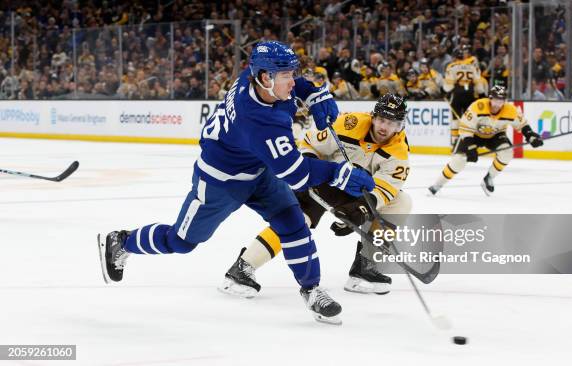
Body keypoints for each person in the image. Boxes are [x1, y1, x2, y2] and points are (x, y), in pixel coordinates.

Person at [97, 41, 376, 325]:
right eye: (286, 76)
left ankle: (312, 289)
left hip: (258, 169)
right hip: (220, 182)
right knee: (180, 242)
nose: (293, 81)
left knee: (293, 222)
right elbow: (296, 174)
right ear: (266, 78)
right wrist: (339, 174)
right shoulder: (259, 121)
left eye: (293, 73)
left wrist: (314, 93)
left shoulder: (254, 78)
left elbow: (296, 87)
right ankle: (123, 242)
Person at [219, 94, 412, 297]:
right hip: (323, 179)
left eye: (391, 123)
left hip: (354, 193)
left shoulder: (399, 152)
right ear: (373, 117)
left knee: (401, 202)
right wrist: (309, 171)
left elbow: (384, 189)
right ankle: (243, 267)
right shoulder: (349, 123)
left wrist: (359, 211)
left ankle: (366, 266)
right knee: (297, 220)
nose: (384, 127)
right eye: (382, 119)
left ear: (400, 125)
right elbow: (310, 144)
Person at [428, 85, 544, 196]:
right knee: (458, 161)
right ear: (490, 98)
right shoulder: (477, 106)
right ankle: (437, 185)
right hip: (474, 135)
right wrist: (471, 147)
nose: (497, 104)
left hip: (495, 135)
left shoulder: (510, 110)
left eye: (501, 100)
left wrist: (531, 136)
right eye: (495, 100)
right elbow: (465, 128)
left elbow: (523, 125)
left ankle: (489, 178)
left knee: (506, 153)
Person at [443, 45, 486, 146]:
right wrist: (482, 94)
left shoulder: (452, 66)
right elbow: (478, 83)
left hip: (457, 94)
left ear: (454, 57)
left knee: (455, 118)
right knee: (470, 118)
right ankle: (470, 141)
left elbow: (448, 86)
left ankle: (454, 142)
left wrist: (445, 91)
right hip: (470, 94)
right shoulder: (472, 67)